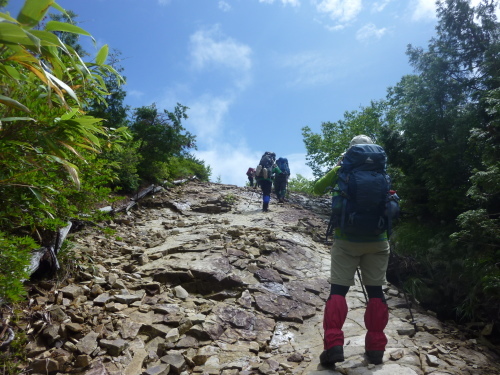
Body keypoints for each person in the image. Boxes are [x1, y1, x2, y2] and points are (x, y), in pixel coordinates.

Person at [313, 135, 390, 367]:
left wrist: (338, 167)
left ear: (350, 151)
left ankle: (334, 347)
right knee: (376, 292)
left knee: (338, 290)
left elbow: (317, 189)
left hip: (346, 240)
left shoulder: (342, 169)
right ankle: (376, 349)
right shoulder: (381, 171)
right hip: (378, 240)